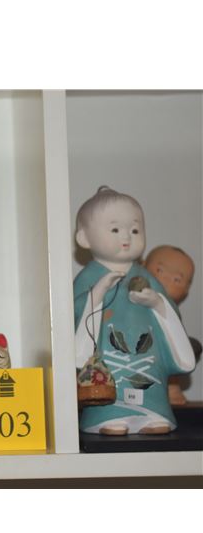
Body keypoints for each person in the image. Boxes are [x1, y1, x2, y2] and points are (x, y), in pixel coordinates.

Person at [74, 186, 195, 435]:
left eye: (135, 230)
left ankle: (153, 416)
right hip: (109, 361)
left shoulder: (146, 276)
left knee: (149, 384)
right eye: (115, 229)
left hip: (148, 358)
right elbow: (73, 311)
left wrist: (156, 302)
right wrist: (98, 292)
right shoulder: (89, 276)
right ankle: (108, 417)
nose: (126, 237)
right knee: (108, 383)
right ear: (84, 238)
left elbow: (170, 311)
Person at [144, 245, 201, 405]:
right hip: (137, 349)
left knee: (180, 348)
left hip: (163, 353)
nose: (166, 280)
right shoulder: (131, 300)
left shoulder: (172, 310)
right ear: (141, 266)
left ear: (185, 291)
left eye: (177, 279)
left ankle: (172, 387)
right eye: (160, 271)